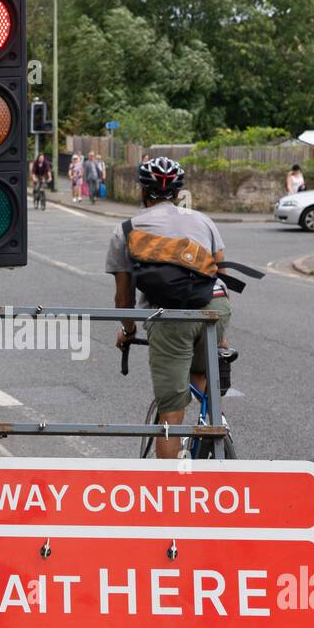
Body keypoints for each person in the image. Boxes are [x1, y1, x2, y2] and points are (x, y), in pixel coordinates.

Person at [105, 157, 233, 460]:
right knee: (201, 376)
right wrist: (222, 335)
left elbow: (123, 298)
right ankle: (206, 429)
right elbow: (223, 277)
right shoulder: (204, 221)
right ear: (177, 192)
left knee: (170, 416)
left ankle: (170, 491)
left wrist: (127, 331)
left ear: (143, 192)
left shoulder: (125, 229)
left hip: (169, 316)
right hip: (214, 308)